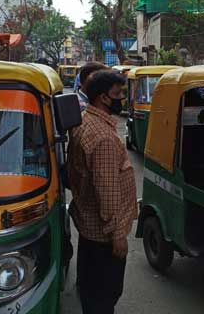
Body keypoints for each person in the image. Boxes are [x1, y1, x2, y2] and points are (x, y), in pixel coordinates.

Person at [67, 70, 137, 314]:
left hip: (89, 227)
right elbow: (107, 191)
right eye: (118, 94)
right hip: (104, 236)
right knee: (105, 295)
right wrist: (118, 234)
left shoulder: (84, 120)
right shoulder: (104, 138)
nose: (122, 100)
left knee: (90, 289)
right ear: (102, 98)